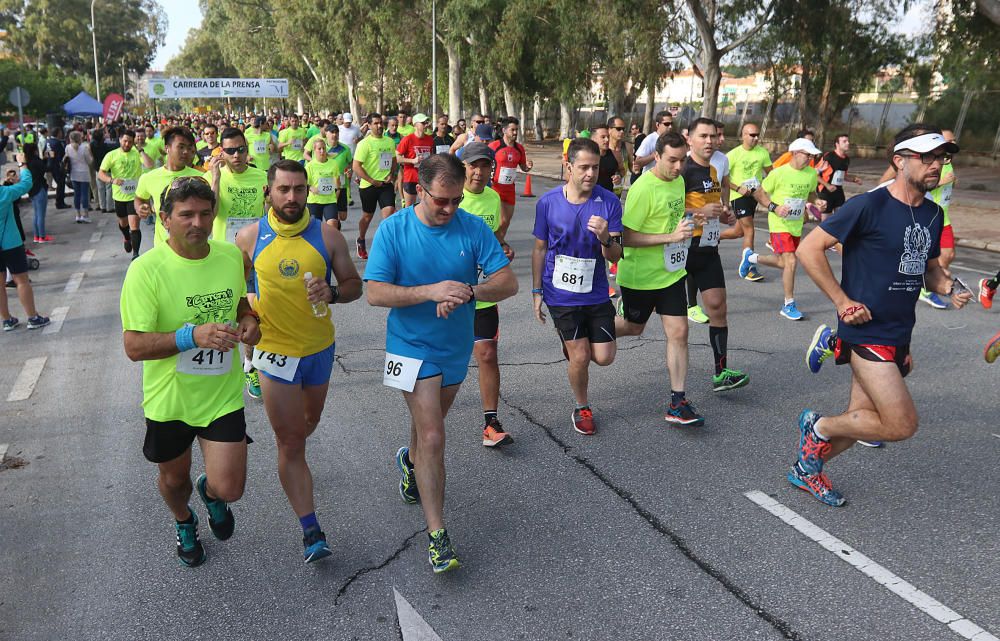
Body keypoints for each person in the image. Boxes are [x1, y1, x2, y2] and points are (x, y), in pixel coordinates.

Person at [793, 125, 967, 507]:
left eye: (941, 158)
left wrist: (951, 288)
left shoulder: (934, 215)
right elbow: (809, 249)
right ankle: (817, 425)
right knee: (901, 424)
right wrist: (842, 302)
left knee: (860, 421)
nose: (936, 165)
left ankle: (806, 470)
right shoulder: (868, 205)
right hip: (865, 332)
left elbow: (929, 270)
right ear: (900, 161)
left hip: (900, 331)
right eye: (927, 157)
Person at [365, 154, 517, 573]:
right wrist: (429, 291)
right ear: (418, 191)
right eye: (442, 201)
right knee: (433, 434)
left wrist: (470, 290)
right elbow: (375, 293)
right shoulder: (394, 229)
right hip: (407, 346)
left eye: (456, 200)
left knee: (425, 429)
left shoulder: (471, 227)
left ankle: (409, 463)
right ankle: (438, 536)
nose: (450, 209)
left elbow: (508, 282)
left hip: (454, 348)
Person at [120, 176, 261, 566]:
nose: (197, 223)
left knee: (231, 487)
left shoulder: (231, 257)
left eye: (204, 213)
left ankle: (212, 493)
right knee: (174, 481)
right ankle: (183, 519)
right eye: (186, 215)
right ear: (165, 219)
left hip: (221, 395)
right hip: (171, 400)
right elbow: (134, 346)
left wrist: (249, 319)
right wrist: (190, 336)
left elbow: (240, 306)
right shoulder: (145, 271)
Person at [234, 160, 362, 562]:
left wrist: (333, 293)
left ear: (308, 191)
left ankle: (295, 465)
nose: (292, 197)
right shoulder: (249, 237)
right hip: (274, 353)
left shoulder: (328, 236)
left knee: (307, 426)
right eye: (284, 189)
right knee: (290, 441)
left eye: (299, 189)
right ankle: (311, 530)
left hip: (319, 350)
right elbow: (235, 293)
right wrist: (248, 319)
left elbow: (354, 285)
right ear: (268, 192)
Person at [531, 138, 623, 435]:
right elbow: (540, 249)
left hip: (595, 290)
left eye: (595, 167)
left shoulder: (608, 201)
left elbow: (616, 255)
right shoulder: (548, 203)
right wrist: (536, 292)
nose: (590, 173)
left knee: (604, 357)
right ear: (568, 166)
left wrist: (606, 237)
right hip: (560, 291)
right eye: (583, 167)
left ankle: (574, 343)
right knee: (580, 356)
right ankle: (582, 407)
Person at [461, 142, 515, 446]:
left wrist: (502, 249)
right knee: (444, 362)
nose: (479, 172)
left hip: (482, 292)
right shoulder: (452, 199)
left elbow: (494, 239)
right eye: (473, 166)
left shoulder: (493, 198)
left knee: (487, 353)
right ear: (463, 168)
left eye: (485, 166)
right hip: (451, 295)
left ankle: (490, 422)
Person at [737, 137, 825, 321]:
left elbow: (810, 192)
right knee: (791, 261)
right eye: (806, 155)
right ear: (794, 153)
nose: (809, 158)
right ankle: (788, 304)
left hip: (795, 224)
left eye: (811, 156)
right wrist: (774, 207)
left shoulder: (810, 173)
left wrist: (816, 201)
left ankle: (751, 257)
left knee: (785, 263)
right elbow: (760, 192)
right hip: (779, 224)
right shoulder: (779, 173)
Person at [1, 155, 50, 331]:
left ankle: (7, 320)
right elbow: (26, 184)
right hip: (11, 243)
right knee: (21, 281)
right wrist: (22, 164)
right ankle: (32, 317)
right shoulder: (4, 193)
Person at [135, 127, 204, 248]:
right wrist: (140, 207)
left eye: (189, 147)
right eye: (181, 147)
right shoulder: (149, 177)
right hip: (163, 247)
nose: (186, 152)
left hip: (194, 247)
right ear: (167, 148)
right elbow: (139, 198)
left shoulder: (201, 178)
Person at [725, 122, 771, 281]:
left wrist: (764, 189)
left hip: (754, 197)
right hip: (738, 196)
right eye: (752, 135)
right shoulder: (733, 155)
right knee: (750, 230)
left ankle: (713, 237)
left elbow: (771, 174)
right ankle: (749, 267)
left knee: (739, 232)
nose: (756, 138)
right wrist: (738, 188)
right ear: (743, 136)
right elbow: (721, 178)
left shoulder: (762, 152)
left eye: (758, 135)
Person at [352, 113, 397, 259]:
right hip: (368, 185)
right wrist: (371, 181)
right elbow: (356, 166)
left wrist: (392, 174)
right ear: (369, 125)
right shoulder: (364, 144)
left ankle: (386, 245)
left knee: (390, 212)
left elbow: (394, 160)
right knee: (367, 216)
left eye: (381, 123)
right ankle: (361, 239)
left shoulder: (389, 142)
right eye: (376, 123)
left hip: (385, 184)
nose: (379, 126)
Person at [98, 129, 144, 259]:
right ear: (120, 140)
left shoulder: (137, 153)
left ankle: (136, 255)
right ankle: (126, 237)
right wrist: (112, 180)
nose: (127, 144)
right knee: (124, 223)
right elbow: (101, 173)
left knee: (134, 225)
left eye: (130, 142)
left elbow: (149, 164)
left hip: (135, 195)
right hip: (119, 196)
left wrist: (141, 151)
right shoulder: (111, 155)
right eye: (125, 141)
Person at [489, 117, 533, 240]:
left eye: (516, 130)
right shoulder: (494, 146)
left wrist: (528, 167)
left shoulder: (519, 148)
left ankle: (499, 243)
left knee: (506, 222)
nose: (515, 133)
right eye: (512, 130)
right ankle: (494, 245)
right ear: (504, 130)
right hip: (494, 188)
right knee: (498, 221)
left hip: (509, 190)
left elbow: (523, 167)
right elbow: (485, 163)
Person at [816, 134, 862, 220]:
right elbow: (815, 174)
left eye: (848, 141)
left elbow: (843, 175)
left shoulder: (846, 159)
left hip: (838, 191)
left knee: (840, 218)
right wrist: (827, 185)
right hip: (825, 192)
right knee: (826, 223)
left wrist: (854, 179)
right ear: (837, 144)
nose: (848, 143)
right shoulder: (829, 156)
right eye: (844, 141)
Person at [396, 113, 434, 208]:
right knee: (409, 208)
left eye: (426, 122)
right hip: (411, 177)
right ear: (415, 125)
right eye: (422, 123)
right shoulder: (407, 139)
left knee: (427, 206)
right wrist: (413, 161)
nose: (425, 125)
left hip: (425, 177)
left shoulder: (430, 139)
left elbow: (432, 156)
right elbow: (397, 158)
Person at [305, 137, 342, 225]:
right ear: (314, 150)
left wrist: (337, 193)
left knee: (333, 224)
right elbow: (304, 183)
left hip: (330, 200)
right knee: (315, 228)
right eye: (319, 149)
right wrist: (310, 188)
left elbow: (337, 183)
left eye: (324, 148)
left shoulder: (333, 163)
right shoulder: (309, 166)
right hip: (314, 201)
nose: (322, 151)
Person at [22, 144, 51, 244]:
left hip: (32, 189)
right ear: (34, 150)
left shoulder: (26, 163)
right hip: (39, 188)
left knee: (36, 214)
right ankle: (42, 236)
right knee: (41, 214)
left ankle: (37, 236)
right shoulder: (36, 161)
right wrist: (48, 159)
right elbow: (46, 168)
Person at [65, 131, 93, 223]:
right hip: (84, 173)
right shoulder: (84, 148)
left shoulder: (68, 148)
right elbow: (89, 161)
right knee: (85, 194)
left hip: (73, 173)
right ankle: (85, 215)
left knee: (76, 194)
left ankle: (78, 215)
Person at [44, 127, 69, 210]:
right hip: (57, 166)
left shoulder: (48, 141)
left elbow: (46, 153)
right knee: (61, 184)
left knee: (59, 183)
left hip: (50, 164)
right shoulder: (57, 143)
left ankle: (59, 201)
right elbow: (61, 155)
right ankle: (60, 202)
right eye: (60, 132)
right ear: (58, 133)